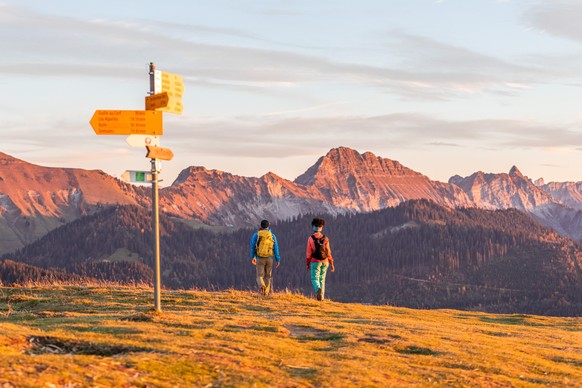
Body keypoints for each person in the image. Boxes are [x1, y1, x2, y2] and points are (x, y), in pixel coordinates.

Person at [306, 217, 335, 301]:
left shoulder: (311, 239)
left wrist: (308, 264)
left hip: (315, 262)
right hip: (325, 262)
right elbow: (328, 251)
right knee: (322, 279)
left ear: (313, 227)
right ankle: (321, 297)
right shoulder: (326, 238)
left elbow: (308, 253)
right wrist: (331, 263)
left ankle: (318, 289)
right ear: (321, 227)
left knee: (314, 278)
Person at [250, 220, 281, 295]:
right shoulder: (272, 235)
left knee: (259, 276)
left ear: (261, 226)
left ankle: (262, 286)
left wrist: (253, 257)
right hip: (269, 258)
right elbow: (275, 248)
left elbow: (252, 246)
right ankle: (265, 293)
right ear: (268, 226)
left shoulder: (256, 235)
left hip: (259, 258)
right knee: (268, 276)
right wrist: (278, 259)